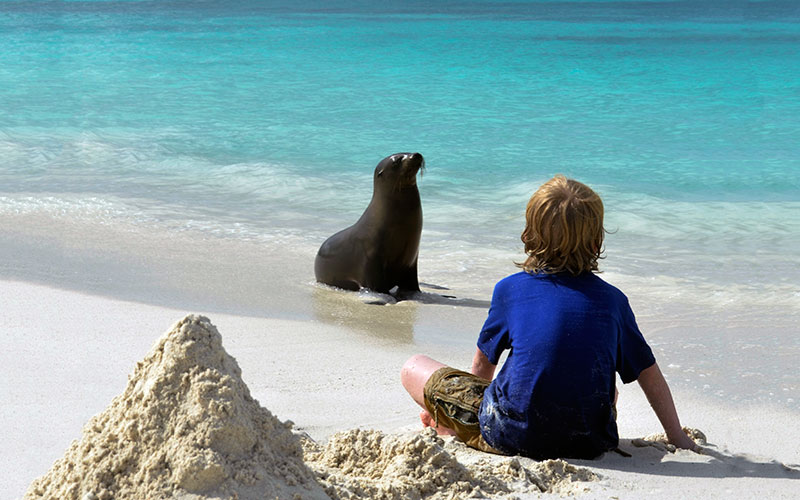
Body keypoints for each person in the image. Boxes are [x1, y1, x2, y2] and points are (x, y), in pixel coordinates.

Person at [401, 175, 697, 459]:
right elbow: (649, 374)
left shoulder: (509, 289)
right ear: (595, 244)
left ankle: (448, 427)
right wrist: (677, 437)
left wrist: (463, 415)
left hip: (512, 435)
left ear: (528, 235)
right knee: (606, 391)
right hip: (590, 441)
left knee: (413, 367)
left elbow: (482, 366)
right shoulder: (614, 302)